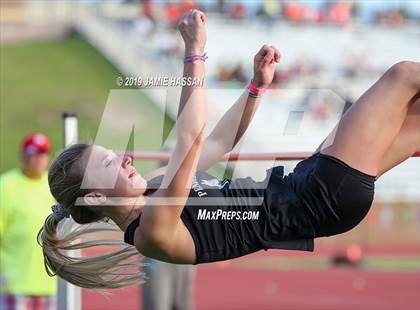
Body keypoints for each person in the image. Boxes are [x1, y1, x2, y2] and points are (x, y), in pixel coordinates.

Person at [38, 10, 419, 289]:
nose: (126, 156)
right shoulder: (151, 231)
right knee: (404, 75)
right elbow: (192, 137)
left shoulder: (156, 184)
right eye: (110, 162)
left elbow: (219, 142)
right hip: (320, 196)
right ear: (97, 195)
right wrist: (194, 51)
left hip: (309, 185)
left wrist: (255, 88)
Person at [1, 132, 57, 310]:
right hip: (15, 283)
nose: (39, 159)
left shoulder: (53, 185)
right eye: (34, 154)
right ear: (23, 156)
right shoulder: (6, 185)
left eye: (43, 154)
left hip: (49, 284)